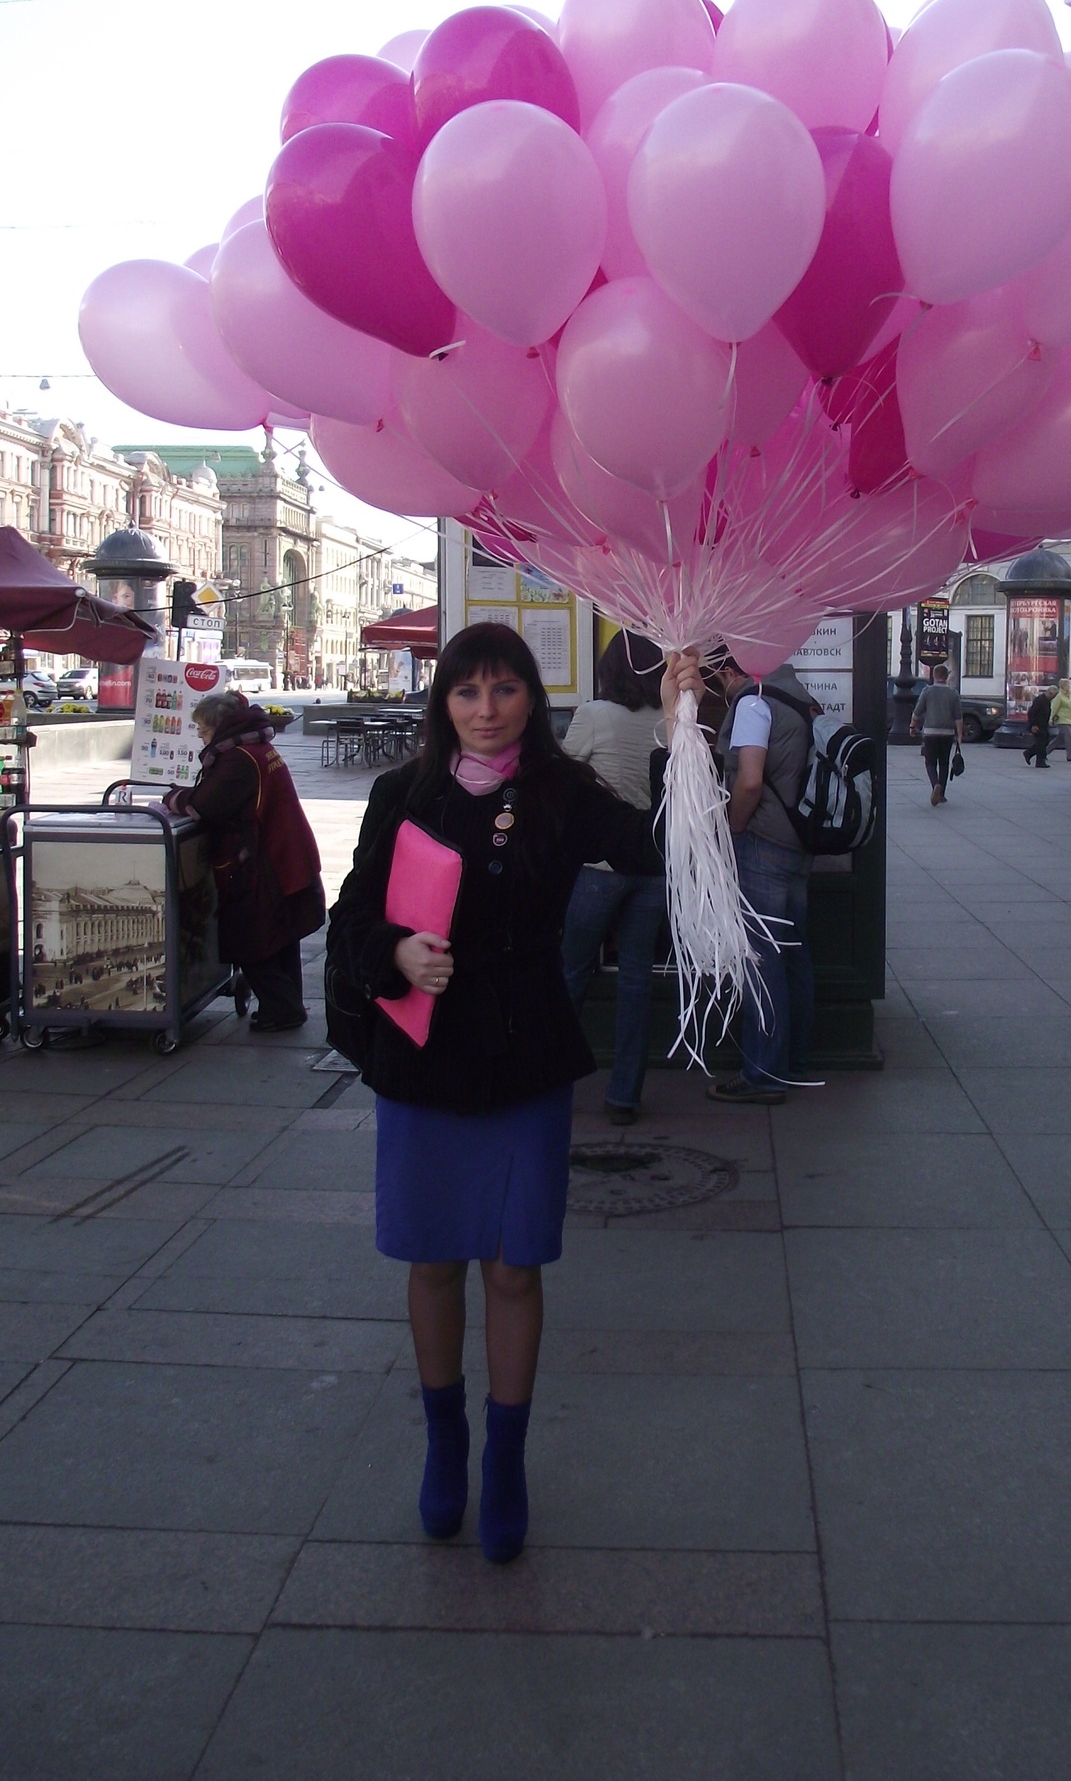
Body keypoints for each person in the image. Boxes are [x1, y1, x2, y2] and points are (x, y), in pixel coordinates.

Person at [326, 622, 701, 1565]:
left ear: (533, 698)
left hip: (523, 1054)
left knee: (513, 1268)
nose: (486, 710)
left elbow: (658, 844)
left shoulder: (561, 793)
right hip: (423, 1058)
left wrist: (678, 729)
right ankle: (444, 1443)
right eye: (467, 691)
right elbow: (350, 918)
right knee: (432, 1261)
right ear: (443, 701)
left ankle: (506, 1459)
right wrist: (394, 954)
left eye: (504, 690)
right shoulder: (402, 794)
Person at [165, 690, 324, 1030]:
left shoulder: (238, 758)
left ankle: (282, 1009)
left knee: (251, 938)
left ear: (219, 727)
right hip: (283, 855)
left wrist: (173, 798)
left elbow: (206, 805)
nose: (200, 736)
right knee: (279, 937)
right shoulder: (257, 747)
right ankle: (286, 1006)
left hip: (261, 861)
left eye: (203, 729)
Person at [560, 630, 668, 1128]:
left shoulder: (593, 715)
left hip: (602, 867)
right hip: (652, 865)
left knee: (571, 973)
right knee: (637, 980)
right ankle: (624, 1095)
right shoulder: (668, 721)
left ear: (609, 670)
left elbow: (564, 778)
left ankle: (550, 1080)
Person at [705, 648, 815, 1104]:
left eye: (719, 677)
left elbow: (749, 780)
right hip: (796, 842)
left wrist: (734, 827)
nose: (721, 687)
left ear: (733, 669)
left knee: (761, 961)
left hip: (762, 842)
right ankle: (794, 1059)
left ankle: (764, 1074)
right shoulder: (799, 697)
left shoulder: (753, 703)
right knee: (792, 957)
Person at [910, 662, 964, 805]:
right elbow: (958, 717)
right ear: (946, 677)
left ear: (934, 676)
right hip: (947, 734)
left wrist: (912, 726)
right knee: (944, 763)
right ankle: (942, 794)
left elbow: (917, 712)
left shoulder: (927, 691)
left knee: (930, 762)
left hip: (930, 733)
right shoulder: (953, 693)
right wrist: (959, 735)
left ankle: (935, 785)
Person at [1025, 685, 1054, 767]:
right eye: (1054, 696)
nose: (1054, 698)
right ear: (1050, 693)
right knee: (1041, 743)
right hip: (1037, 725)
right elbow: (1032, 712)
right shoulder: (1040, 700)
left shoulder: (1047, 701)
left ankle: (1029, 753)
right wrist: (1033, 725)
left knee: (1044, 741)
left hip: (1043, 725)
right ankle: (1040, 761)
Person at [1050, 677, 1071, 761]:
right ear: (1063, 686)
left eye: (1069, 685)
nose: (1069, 687)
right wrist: (1050, 719)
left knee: (1058, 740)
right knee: (1069, 738)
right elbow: (1054, 708)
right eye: (1067, 685)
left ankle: (1044, 752)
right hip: (1062, 720)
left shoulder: (1068, 696)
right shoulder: (1059, 696)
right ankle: (1070, 756)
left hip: (1068, 719)